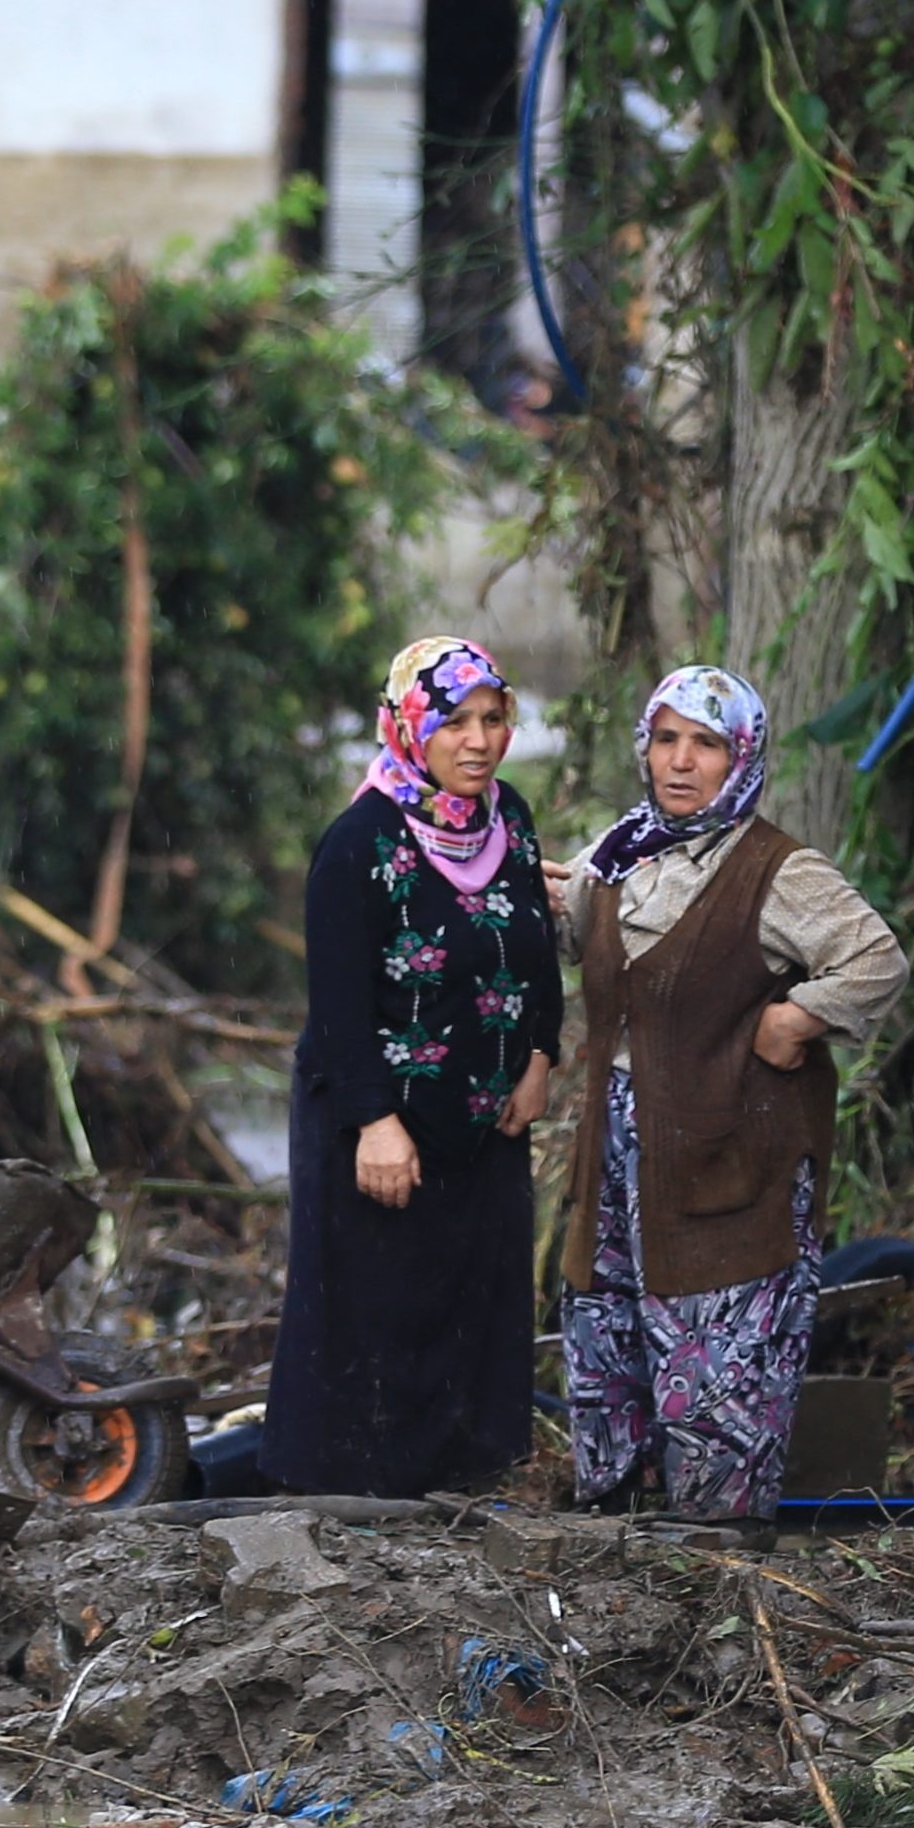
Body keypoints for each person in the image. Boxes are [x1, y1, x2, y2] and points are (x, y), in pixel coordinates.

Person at [544, 666, 906, 1525]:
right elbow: (595, 950)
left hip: (729, 1159)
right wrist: (550, 901)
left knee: (719, 1367)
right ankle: (619, 1546)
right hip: (619, 1160)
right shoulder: (620, 852)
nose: (680, 762)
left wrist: (795, 1017)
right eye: (665, 739)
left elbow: (878, 960)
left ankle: (717, 1560)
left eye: (705, 743)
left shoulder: (777, 871)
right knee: (612, 1346)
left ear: (739, 757)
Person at [264, 636, 562, 1499]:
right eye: (455, 722)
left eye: (493, 719)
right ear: (409, 728)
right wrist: (375, 1122)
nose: (478, 741)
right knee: (371, 1310)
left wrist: (541, 1052)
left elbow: (538, 953)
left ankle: (461, 1489)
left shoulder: (512, 821)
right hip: (376, 1123)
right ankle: (346, 1501)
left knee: (474, 1302)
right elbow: (339, 1005)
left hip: (487, 1122)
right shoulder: (357, 842)